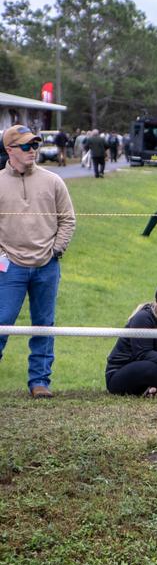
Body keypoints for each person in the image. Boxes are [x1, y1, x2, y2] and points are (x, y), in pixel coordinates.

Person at [0, 124, 77, 398]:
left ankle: (40, 382)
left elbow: (68, 219)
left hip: (47, 266)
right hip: (10, 268)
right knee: (2, 321)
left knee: (44, 324)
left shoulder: (53, 181)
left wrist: (56, 250)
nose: (33, 150)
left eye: (35, 145)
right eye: (26, 146)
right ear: (10, 150)